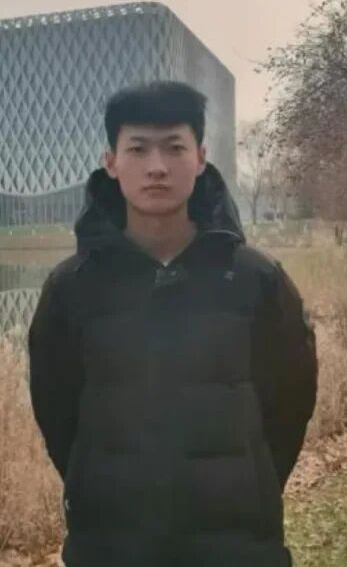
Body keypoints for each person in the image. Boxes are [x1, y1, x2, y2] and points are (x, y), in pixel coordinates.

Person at [27, 81, 318, 566]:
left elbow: (290, 405)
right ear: (111, 162)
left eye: (174, 148)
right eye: (138, 149)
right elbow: (57, 414)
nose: (157, 166)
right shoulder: (70, 288)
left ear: (201, 158)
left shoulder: (256, 279)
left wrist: (252, 483)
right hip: (110, 547)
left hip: (239, 547)